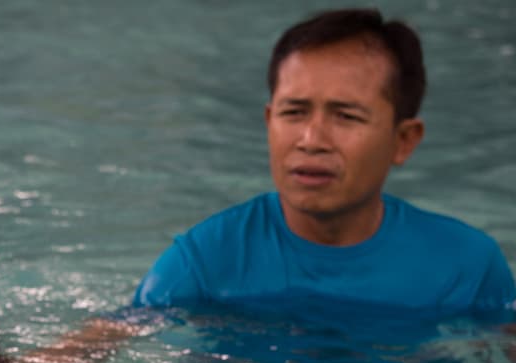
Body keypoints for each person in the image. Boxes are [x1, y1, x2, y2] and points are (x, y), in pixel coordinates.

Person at [133, 8, 515, 318]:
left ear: (403, 141)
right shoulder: (206, 263)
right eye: (293, 112)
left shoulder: (465, 269)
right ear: (269, 121)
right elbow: (112, 339)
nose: (311, 140)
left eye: (346, 116)